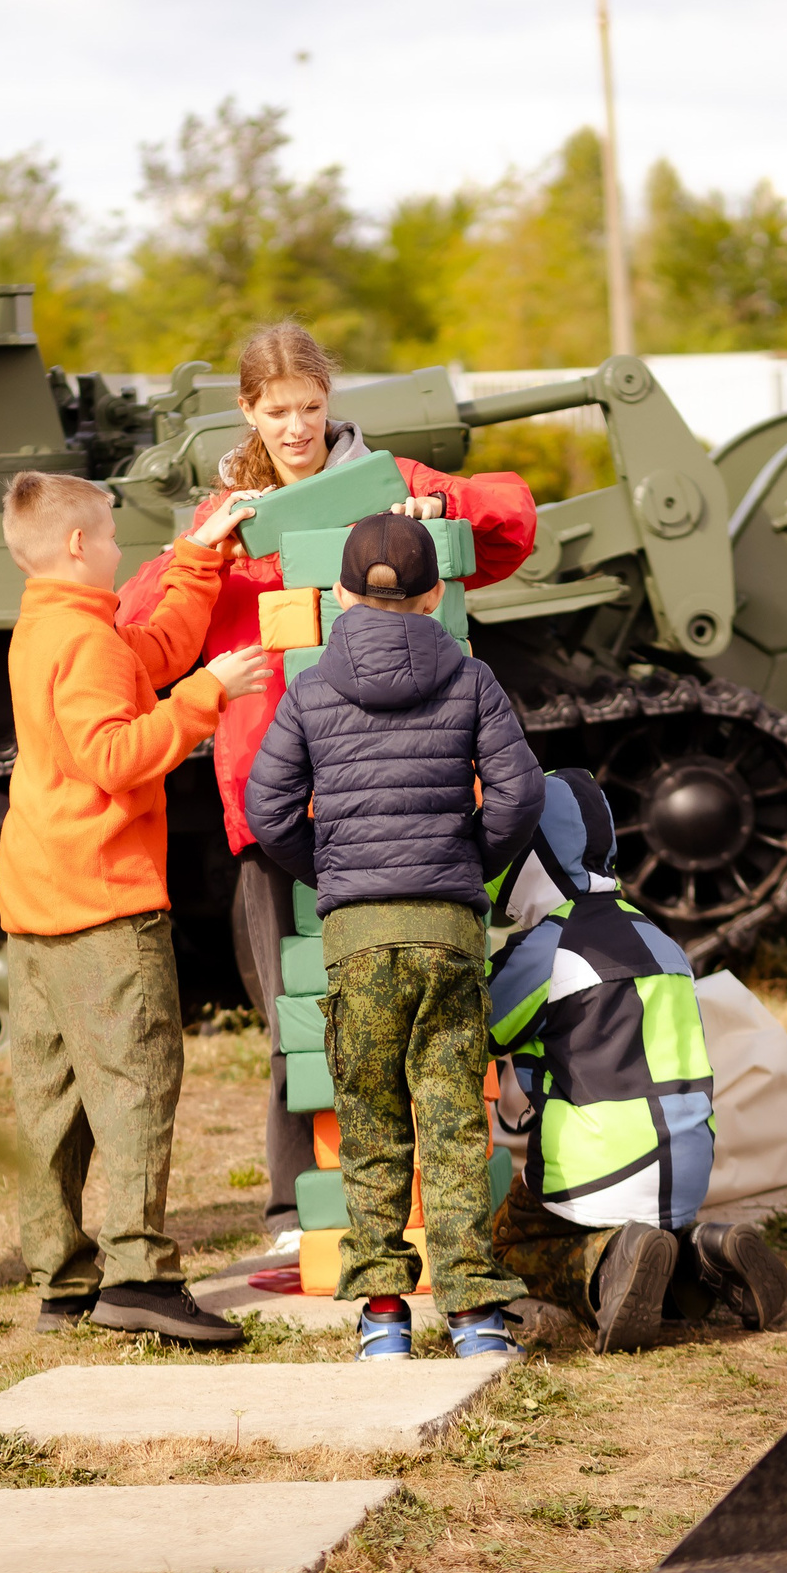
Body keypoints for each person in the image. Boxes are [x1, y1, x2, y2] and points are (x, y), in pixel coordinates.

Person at [117, 320, 540, 1252]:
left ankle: (440, 1198)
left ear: (329, 402)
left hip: (394, 788)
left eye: (311, 407)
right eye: (278, 412)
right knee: (297, 1012)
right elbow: (141, 637)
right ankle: (292, 1207)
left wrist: (439, 513)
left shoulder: (385, 486)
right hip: (275, 795)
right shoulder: (224, 515)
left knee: (430, 1003)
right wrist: (206, 552)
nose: (298, 427)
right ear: (248, 412)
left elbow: (510, 526)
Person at [244, 513, 546, 1361]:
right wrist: (463, 864)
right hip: (447, 928)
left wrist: (337, 873)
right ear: (437, 593)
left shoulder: (309, 690)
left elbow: (266, 808)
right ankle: (476, 1317)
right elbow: (518, 795)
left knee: (373, 1127)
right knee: (454, 1121)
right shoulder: (472, 678)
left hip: (357, 935)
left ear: (340, 594)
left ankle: (382, 1316)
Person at [0, 470, 270, 1345]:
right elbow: (118, 754)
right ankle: (142, 1276)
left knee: (53, 1102)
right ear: (79, 546)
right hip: (104, 904)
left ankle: (64, 1280)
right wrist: (209, 692)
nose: (119, 551)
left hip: (37, 897)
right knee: (139, 1084)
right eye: (112, 538)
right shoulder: (87, 644)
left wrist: (200, 555)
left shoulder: (54, 625)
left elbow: (149, 650)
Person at [484, 769, 787, 1351]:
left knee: (508, 1241)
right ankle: (706, 1250)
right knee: (647, 1229)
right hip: (688, 1169)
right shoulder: (661, 939)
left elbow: (483, 1028)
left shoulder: (547, 947)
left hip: (597, 1170)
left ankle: (605, 1270)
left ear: (526, 856)